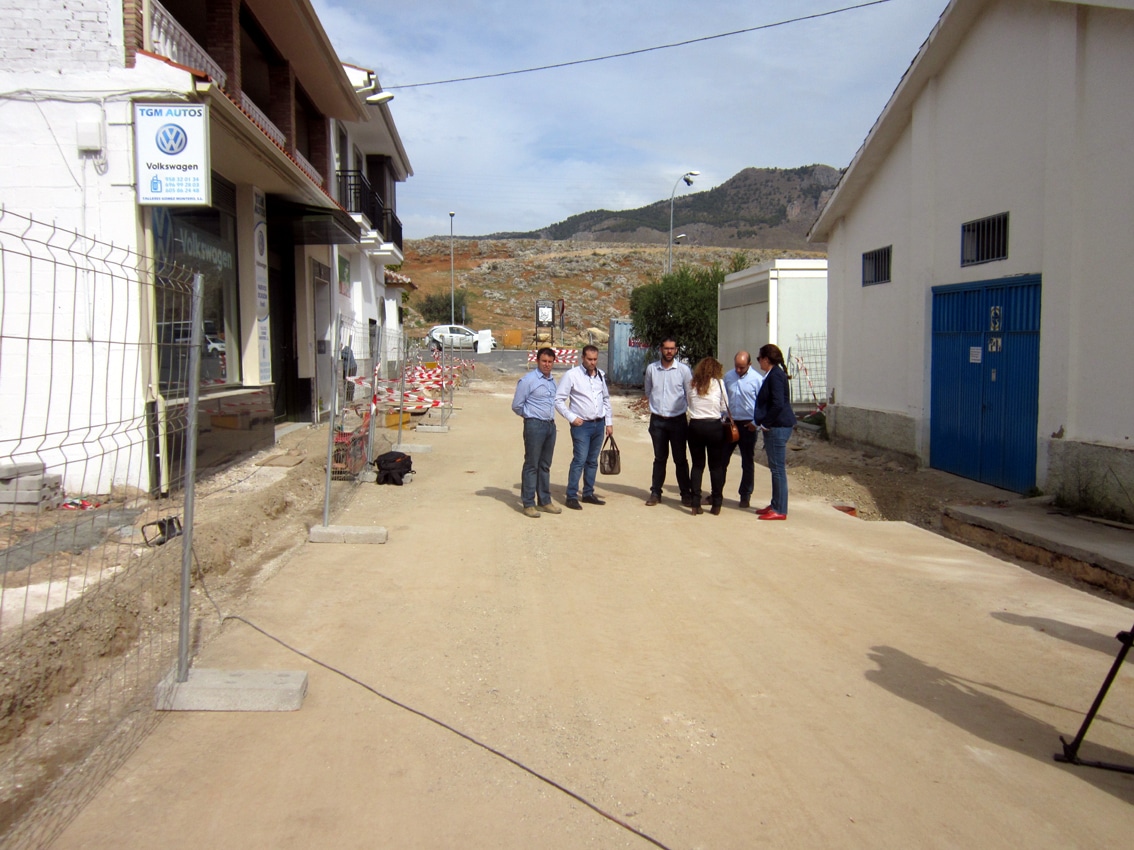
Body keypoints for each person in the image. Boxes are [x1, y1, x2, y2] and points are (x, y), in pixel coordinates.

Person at [554, 345, 612, 510]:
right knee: (579, 460)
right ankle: (571, 495)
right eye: (589, 359)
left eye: (595, 359)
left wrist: (609, 422)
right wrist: (572, 418)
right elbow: (558, 400)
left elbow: (606, 399)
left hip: (598, 424)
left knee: (592, 461)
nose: (593, 362)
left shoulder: (600, 375)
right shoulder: (572, 375)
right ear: (583, 358)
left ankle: (588, 493)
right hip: (582, 426)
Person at [642, 337, 693, 507]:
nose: (669, 351)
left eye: (672, 348)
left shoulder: (684, 371)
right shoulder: (652, 369)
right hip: (657, 421)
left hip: (678, 420)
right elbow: (648, 390)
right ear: (660, 349)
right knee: (659, 458)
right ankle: (656, 492)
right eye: (666, 348)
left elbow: (689, 393)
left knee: (680, 459)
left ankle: (686, 494)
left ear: (676, 350)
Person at [511, 347, 561, 518]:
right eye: (544, 361)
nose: (547, 365)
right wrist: (530, 417)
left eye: (550, 362)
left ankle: (545, 501)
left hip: (549, 426)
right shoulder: (528, 380)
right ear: (537, 361)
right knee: (532, 464)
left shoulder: (552, 381)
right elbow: (517, 405)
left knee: (545, 465)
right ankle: (528, 503)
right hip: (534, 426)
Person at [753, 343, 798, 520]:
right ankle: (775, 503)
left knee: (778, 469)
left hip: (778, 426)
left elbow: (778, 403)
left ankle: (780, 509)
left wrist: (766, 423)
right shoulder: (773, 375)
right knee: (774, 468)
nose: (759, 363)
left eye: (759, 359)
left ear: (766, 359)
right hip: (776, 425)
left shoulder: (775, 376)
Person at [685, 357, 730, 515]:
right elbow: (725, 406)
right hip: (714, 426)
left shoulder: (692, 384)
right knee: (716, 466)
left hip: (696, 425)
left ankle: (695, 503)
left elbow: (689, 403)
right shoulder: (718, 384)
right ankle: (716, 503)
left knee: (697, 466)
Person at [721, 350, 765, 509]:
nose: (738, 370)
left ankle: (745, 495)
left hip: (748, 425)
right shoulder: (728, 377)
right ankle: (717, 492)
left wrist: (756, 423)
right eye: (736, 367)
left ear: (749, 364)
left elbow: (762, 404)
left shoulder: (757, 380)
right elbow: (722, 399)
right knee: (722, 459)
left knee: (747, 461)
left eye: (742, 367)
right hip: (731, 424)